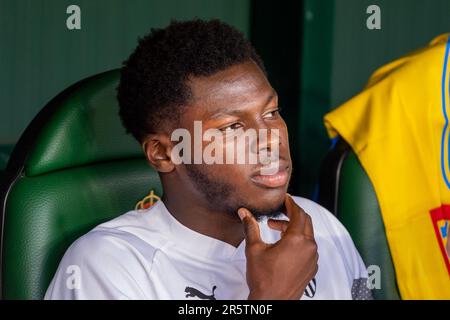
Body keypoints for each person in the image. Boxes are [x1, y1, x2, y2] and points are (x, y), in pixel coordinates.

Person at [45, 19, 371, 300]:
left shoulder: (320, 227)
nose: (270, 138)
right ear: (164, 153)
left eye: (271, 112)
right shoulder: (108, 266)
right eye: (233, 126)